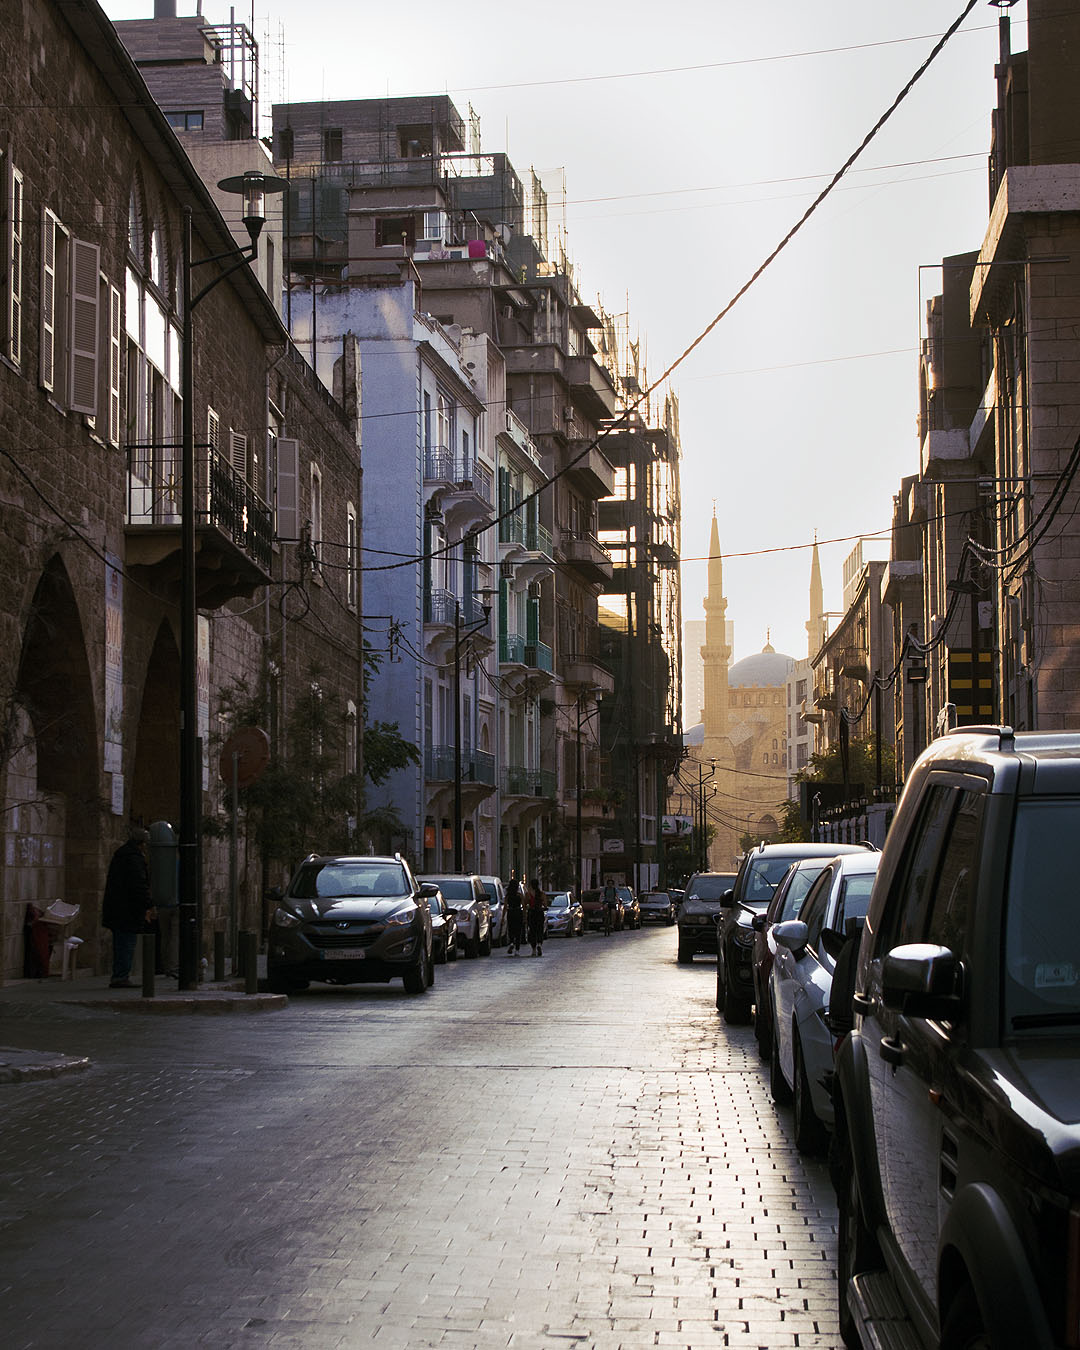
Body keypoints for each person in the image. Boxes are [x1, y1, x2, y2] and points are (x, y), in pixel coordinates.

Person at [102, 826, 154, 988]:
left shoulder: (123, 854)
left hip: (118, 908)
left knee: (122, 943)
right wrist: (149, 903)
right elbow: (138, 884)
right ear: (142, 844)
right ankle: (120, 976)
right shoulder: (133, 858)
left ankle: (120, 974)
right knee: (126, 943)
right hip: (126, 910)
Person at [525, 876, 546, 957]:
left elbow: (525, 903)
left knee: (532, 931)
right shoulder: (541, 894)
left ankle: (533, 950)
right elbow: (545, 904)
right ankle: (539, 944)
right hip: (540, 913)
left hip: (532, 913)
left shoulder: (528, 894)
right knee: (540, 930)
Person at [505, 875, 525, 955]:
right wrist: (524, 917)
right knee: (518, 931)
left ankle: (511, 942)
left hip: (510, 912)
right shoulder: (519, 895)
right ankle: (517, 950)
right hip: (518, 912)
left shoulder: (508, 896)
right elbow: (523, 905)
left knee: (511, 929)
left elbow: (505, 907)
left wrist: (503, 917)